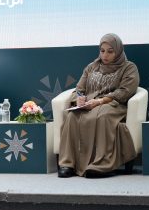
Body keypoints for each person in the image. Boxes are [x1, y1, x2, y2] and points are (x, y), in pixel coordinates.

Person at [58, 33, 140, 178]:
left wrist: (100, 101)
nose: (105, 55)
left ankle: (101, 164)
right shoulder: (92, 67)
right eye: (102, 51)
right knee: (71, 116)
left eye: (110, 51)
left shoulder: (128, 67)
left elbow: (125, 91)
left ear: (118, 51)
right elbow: (79, 88)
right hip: (89, 104)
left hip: (113, 104)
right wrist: (79, 99)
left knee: (102, 116)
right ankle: (68, 164)